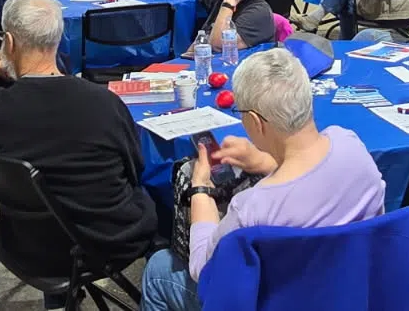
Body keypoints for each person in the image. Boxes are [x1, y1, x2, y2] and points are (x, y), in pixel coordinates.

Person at [0, 0, 157, 290]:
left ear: (10, 44)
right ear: (58, 39)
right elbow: (135, 169)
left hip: (25, 246)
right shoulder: (104, 103)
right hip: (107, 242)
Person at [140, 48, 386, 311]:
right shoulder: (350, 144)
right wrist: (264, 162)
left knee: (158, 269)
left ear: (256, 122)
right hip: (351, 291)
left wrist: (200, 190)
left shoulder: (253, 207)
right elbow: (308, 172)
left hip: (280, 300)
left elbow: (202, 268)